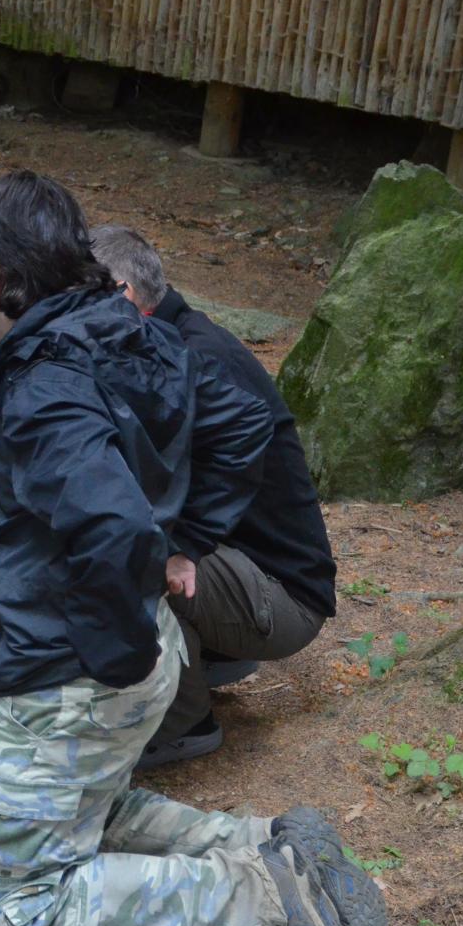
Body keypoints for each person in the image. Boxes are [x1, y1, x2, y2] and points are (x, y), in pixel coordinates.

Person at [0, 171, 385, 926]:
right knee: (89, 805)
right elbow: (243, 421)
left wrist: (108, 650)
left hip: (73, 665)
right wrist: (181, 546)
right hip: (121, 648)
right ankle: (268, 843)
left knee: (8, 898)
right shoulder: (121, 329)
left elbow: (112, 526)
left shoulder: (48, 384)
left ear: (0, 279)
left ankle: (264, 902)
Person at [88, 226, 336, 770]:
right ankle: (209, 656)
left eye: (81, 297)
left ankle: (183, 723)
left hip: (281, 597)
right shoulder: (165, 340)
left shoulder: (195, 358)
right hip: (243, 573)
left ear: (123, 294)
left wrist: (180, 547)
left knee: (125, 552)